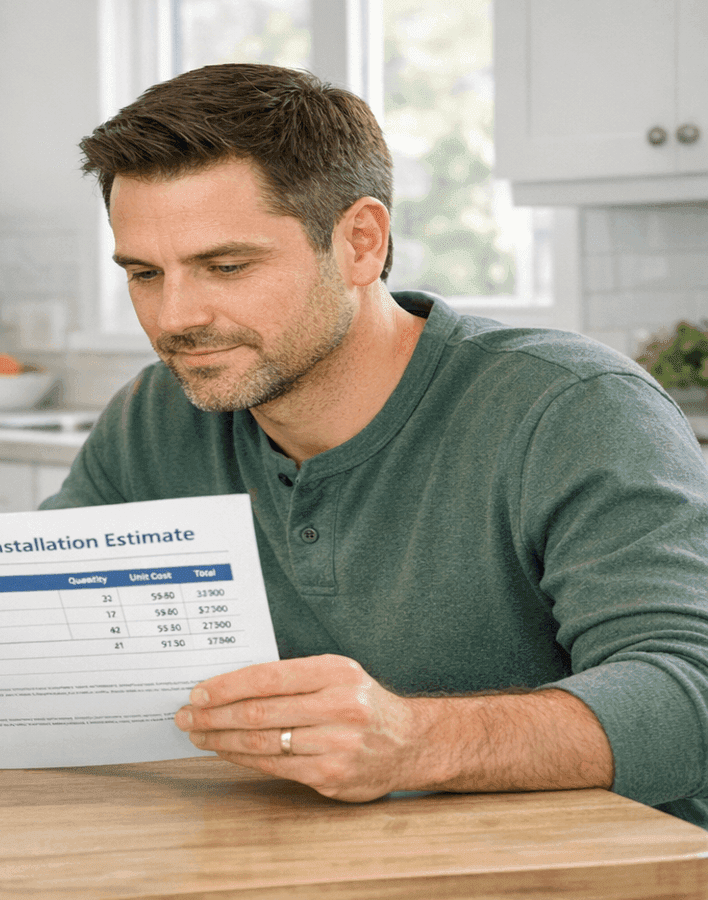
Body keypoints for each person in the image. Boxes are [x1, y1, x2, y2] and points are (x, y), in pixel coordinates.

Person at [45, 63, 708, 824]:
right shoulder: (155, 417)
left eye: (226, 266)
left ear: (361, 242)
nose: (175, 317)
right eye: (143, 273)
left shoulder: (574, 409)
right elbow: (48, 633)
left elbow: (690, 691)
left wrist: (414, 741)